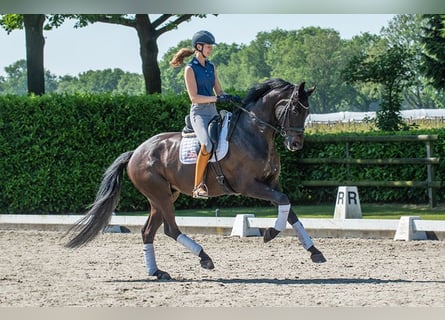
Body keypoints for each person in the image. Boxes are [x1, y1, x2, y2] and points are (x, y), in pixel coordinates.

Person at [170, 30, 239, 199]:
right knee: (207, 145)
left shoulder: (211, 67)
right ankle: (197, 186)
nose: (211, 49)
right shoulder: (190, 69)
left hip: (213, 112)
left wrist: (227, 96)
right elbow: (194, 97)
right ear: (198, 47)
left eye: (211, 47)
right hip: (199, 114)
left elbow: (219, 90)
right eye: (208, 47)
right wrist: (216, 98)